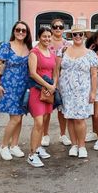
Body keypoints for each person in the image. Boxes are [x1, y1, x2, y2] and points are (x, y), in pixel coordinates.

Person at [0, 21, 32, 161]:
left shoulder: (28, 47)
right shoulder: (6, 46)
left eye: (23, 30)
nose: (20, 32)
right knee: (14, 118)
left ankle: (14, 145)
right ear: (14, 31)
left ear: (27, 33)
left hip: (23, 86)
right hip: (9, 86)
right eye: (18, 30)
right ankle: (4, 146)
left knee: (19, 117)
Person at [57, 24, 98, 158]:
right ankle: (74, 145)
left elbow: (94, 75)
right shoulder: (63, 51)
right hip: (66, 90)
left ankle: (82, 146)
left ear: (84, 35)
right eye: (75, 34)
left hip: (82, 91)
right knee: (69, 118)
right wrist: (56, 86)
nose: (78, 36)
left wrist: (93, 92)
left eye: (80, 34)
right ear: (71, 36)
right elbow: (56, 70)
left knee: (80, 119)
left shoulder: (90, 54)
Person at [27, 27, 58, 167]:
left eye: (48, 36)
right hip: (37, 90)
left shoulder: (51, 53)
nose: (46, 39)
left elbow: (55, 72)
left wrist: (53, 87)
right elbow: (33, 73)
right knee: (38, 122)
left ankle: (38, 147)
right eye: (44, 36)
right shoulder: (34, 53)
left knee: (45, 120)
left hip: (48, 91)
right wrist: (47, 86)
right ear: (39, 37)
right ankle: (32, 155)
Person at [40, 18, 71, 148]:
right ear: (51, 28)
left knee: (62, 109)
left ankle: (63, 134)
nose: (58, 29)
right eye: (55, 26)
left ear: (63, 28)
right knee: (46, 109)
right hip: (47, 79)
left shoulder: (68, 44)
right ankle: (45, 135)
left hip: (64, 79)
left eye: (60, 26)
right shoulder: (46, 41)